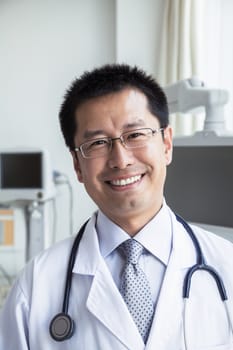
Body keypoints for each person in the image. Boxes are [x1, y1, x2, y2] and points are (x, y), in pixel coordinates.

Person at [1, 64, 233, 350]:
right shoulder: (35, 287)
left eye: (135, 135)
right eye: (98, 143)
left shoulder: (227, 266)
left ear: (167, 144)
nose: (120, 160)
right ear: (77, 165)